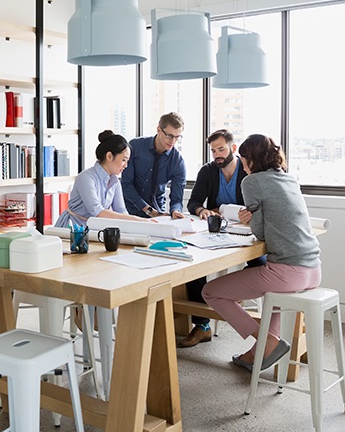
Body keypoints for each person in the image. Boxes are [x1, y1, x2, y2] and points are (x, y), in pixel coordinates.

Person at [202, 134, 321, 371]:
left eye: (243, 159)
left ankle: (267, 341)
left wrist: (250, 217)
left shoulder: (252, 181)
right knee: (273, 295)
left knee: (211, 292)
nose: (242, 164)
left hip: (287, 273)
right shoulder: (289, 179)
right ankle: (260, 352)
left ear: (251, 160)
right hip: (314, 269)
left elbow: (261, 234)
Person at [178, 129, 266, 348]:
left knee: (261, 263)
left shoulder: (247, 171)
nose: (217, 154)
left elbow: (259, 206)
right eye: (213, 150)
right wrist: (202, 211)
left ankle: (232, 295)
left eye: (221, 149)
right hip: (216, 232)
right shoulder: (208, 172)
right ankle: (202, 325)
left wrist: (248, 216)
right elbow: (194, 202)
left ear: (233, 149)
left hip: (248, 233)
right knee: (194, 266)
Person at [55, 130, 146, 229]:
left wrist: (138, 224)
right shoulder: (86, 178)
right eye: (124, 160)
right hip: (73, 229)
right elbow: (97, 211)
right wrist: (139, 220)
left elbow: (121, 211)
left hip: (94, 229)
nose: (126, 165)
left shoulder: (115, 181)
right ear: (109, 156)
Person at [121, 112, 187, 220]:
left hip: (157, 214)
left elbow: (177, 199)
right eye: (169, 136)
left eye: (177, 137)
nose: (173, 141)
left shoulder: (178, 162)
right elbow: (126, 184)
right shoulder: (135, 147)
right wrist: (147, 210)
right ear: (159, 129)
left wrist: (175, 211)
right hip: (128, 211)